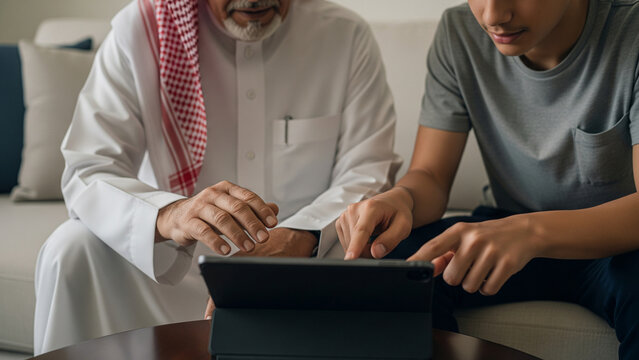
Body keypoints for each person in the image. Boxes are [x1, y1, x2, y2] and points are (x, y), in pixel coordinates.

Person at [34, 0, 401, 354]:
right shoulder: (141, 30)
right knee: (70, 249)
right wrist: (169, 214)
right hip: (173, 271)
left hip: (305, 270)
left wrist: (300, 238)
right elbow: (88, 167)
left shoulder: (345, 36)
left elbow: (368, 170)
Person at [336, 0, 639, 358]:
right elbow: (431, 175)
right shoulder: (459, 32)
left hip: (617, 245)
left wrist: (530, 231)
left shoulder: (630, 31)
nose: (493, 16)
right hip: (503, 234)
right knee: (397, 269)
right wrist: (402, 198)